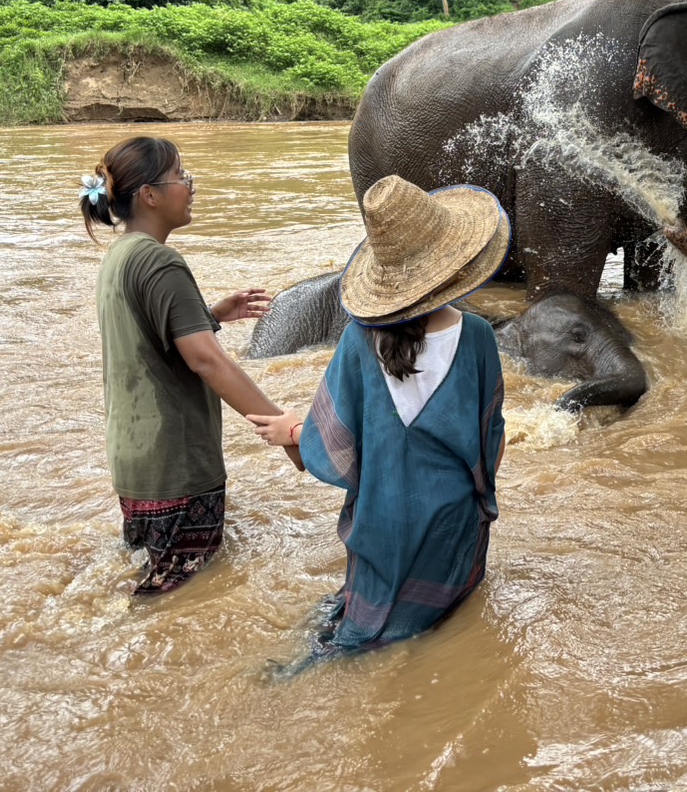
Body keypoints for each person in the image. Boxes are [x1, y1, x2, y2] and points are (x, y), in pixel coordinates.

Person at [254, 174, 509, 654]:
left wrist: (292, 429)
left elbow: (331, 443)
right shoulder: (477, 336)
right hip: (451, 518)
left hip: (382, 514)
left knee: (359, 630)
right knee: (435, 627)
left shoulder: (357, 340)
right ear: (453, 266)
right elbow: (490, 435)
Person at [80, 135, 301, 595]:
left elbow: (147, 341)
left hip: (135, 462)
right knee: (173, 598)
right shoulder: (161, 263)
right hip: (175, 463)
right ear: (150, 195)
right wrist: (284, 428)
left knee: (150, 584)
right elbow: (206, 361)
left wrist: (212, 315)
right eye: (181, 176)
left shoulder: (119, 256)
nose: (190, 186)